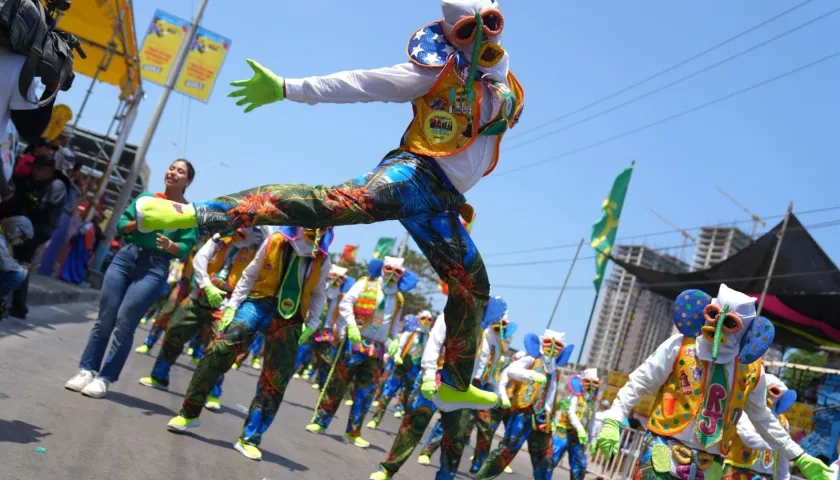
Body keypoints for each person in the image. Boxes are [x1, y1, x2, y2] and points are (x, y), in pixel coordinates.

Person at [130, 0, 524, 412]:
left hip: (443, 202)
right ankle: (198, 214)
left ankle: (455, 385)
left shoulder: (503, 78)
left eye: (491, 24)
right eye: (467, 30)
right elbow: (360, 83)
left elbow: (492, 98)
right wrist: (287, 87)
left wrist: (491, 63)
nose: (482, 36)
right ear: (448, 34)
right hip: (416, 175)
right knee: (327, 206)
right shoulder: (430, 72)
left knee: (472, 284)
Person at [593, 284, 832, 480]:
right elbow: (639, 382)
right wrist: (614, 419)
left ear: (746, 331)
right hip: (662, 453)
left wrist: (797, 456)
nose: (717, 327)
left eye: (729, 323)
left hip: (711, 467)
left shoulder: (752, 372)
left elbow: (762, 419)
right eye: (714, 315)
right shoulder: (679, 347)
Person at [165, 226, 333, 462]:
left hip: (292, 315)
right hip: (258, 301)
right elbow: (250, 273)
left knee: (276, 378)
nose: (314, 228)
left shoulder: (323, 258)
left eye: (321, 225)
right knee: (221, 348)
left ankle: (250, 438)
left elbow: (318, 293)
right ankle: (189, 413)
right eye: (310, 221)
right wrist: (233, 305)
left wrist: (312, 323)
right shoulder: (275, 240)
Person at [64, 159, 198, 399]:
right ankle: (86, 370)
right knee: (105, 318)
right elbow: (121, 225)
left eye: (180, 171)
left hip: (154, 268)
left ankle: (106, 378)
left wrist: (170, 244)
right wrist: (140, 223)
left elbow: (185, 247)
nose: (173, 172)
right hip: (125, 258)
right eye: (171, 167)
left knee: (125, 321)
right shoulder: (146, 199)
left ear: (188, 181)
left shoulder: (188, 212)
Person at [476, 330, 574, 480]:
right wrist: (530, 374)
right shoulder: (531, 360)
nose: (552, 347)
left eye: (557, 345)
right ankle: (482, 478)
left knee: (545, 460)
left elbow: (550, 397)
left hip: (542, 420)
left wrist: (550, 417)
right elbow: (512, 370)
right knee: (506, 451)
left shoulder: (555, 371)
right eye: (549, 343)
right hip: (524, 413)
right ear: (541, 343)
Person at [0, 153, 68, 318]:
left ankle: (17, 306)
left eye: (39, 169)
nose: (35, 172)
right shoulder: (37, 183)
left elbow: (43, 211)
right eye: (35, 168)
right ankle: (15, 305)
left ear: (49, 170)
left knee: (21, 263)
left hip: (39, 229)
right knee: (19, 261)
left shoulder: (56, 185)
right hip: (29, 226)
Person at [723, 373, 796, 480]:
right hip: (737, 472)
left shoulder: (783, 422)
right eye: (774, 392)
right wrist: (781, 444)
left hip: (766, 476)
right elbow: (749, 438)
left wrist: (784, 478)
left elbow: (783, 459)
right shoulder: (745, 410)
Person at [554, 368, 601, 480]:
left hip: (579, 437)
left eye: (594, 382)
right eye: (587, 382)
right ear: (581, 381)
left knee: (579, 466)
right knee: (551, 460)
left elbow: (592, 420)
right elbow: (571, 413)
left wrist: (593, 439)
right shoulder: (575, 396)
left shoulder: (592, 401)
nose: (590, 385)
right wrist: (580, 429)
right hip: (563, 432)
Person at [0, 216, 33, 317]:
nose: (21, 241)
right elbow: (5, 264)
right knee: (17, 275)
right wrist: (23, 269)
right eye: (22, 237)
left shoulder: (6, 242)